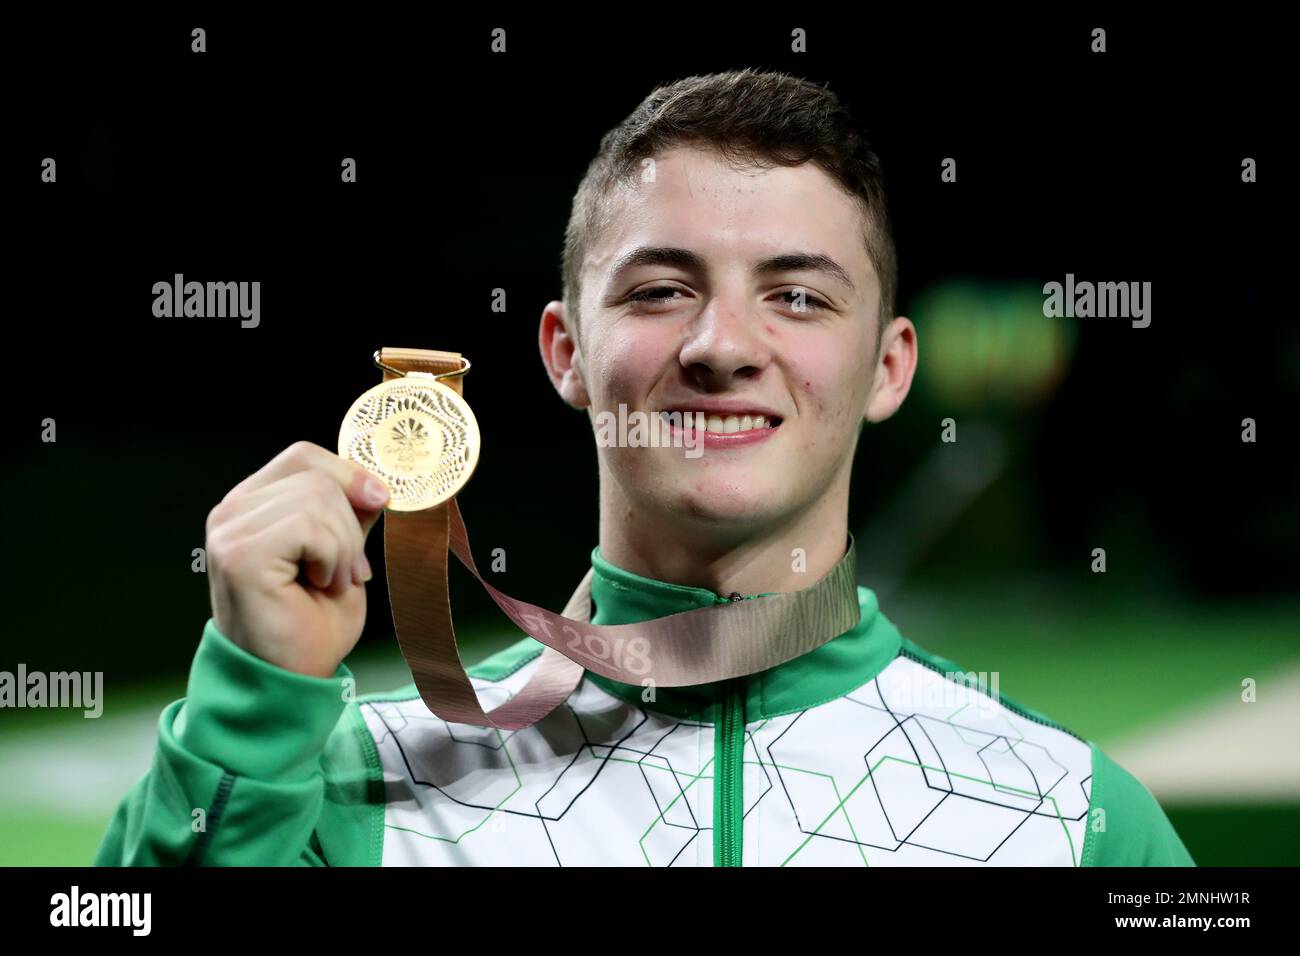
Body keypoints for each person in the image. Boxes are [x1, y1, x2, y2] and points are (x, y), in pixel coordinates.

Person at [95, 68, 1193, 866]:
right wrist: (251, 702)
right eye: (660, 288)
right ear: (565, 353)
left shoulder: (1075, 816)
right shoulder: (342, 780)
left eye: (798, 295)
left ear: (887, 367)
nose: (721, 344)